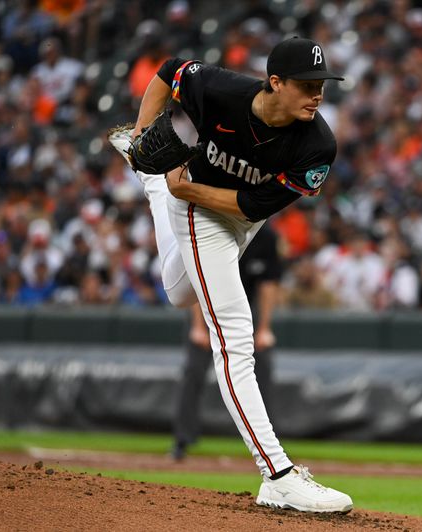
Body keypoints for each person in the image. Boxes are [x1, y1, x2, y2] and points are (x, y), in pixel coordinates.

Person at [109, 37, 352, 513]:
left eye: (321, 84)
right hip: (200, 214)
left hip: (235, 214)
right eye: (306, 84)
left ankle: (156, 185)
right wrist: (143, 139)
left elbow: (251, 206)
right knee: (236, 335)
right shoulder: (222, 90)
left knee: (180, 292)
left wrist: (182, 186)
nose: (317, 94)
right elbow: (170, 70)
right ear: (275, 82)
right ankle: (278, 474)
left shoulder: (318, 144)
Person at [171, 224, 282, 461]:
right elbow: (195, 277)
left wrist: (264, 329)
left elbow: (268, 285)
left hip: (246, 310)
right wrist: (198, 327)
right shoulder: (212, 225)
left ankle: (269, 447)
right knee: (193, 372)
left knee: (262, 371)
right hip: (205, 304)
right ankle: (182, 439)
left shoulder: (267, 236)